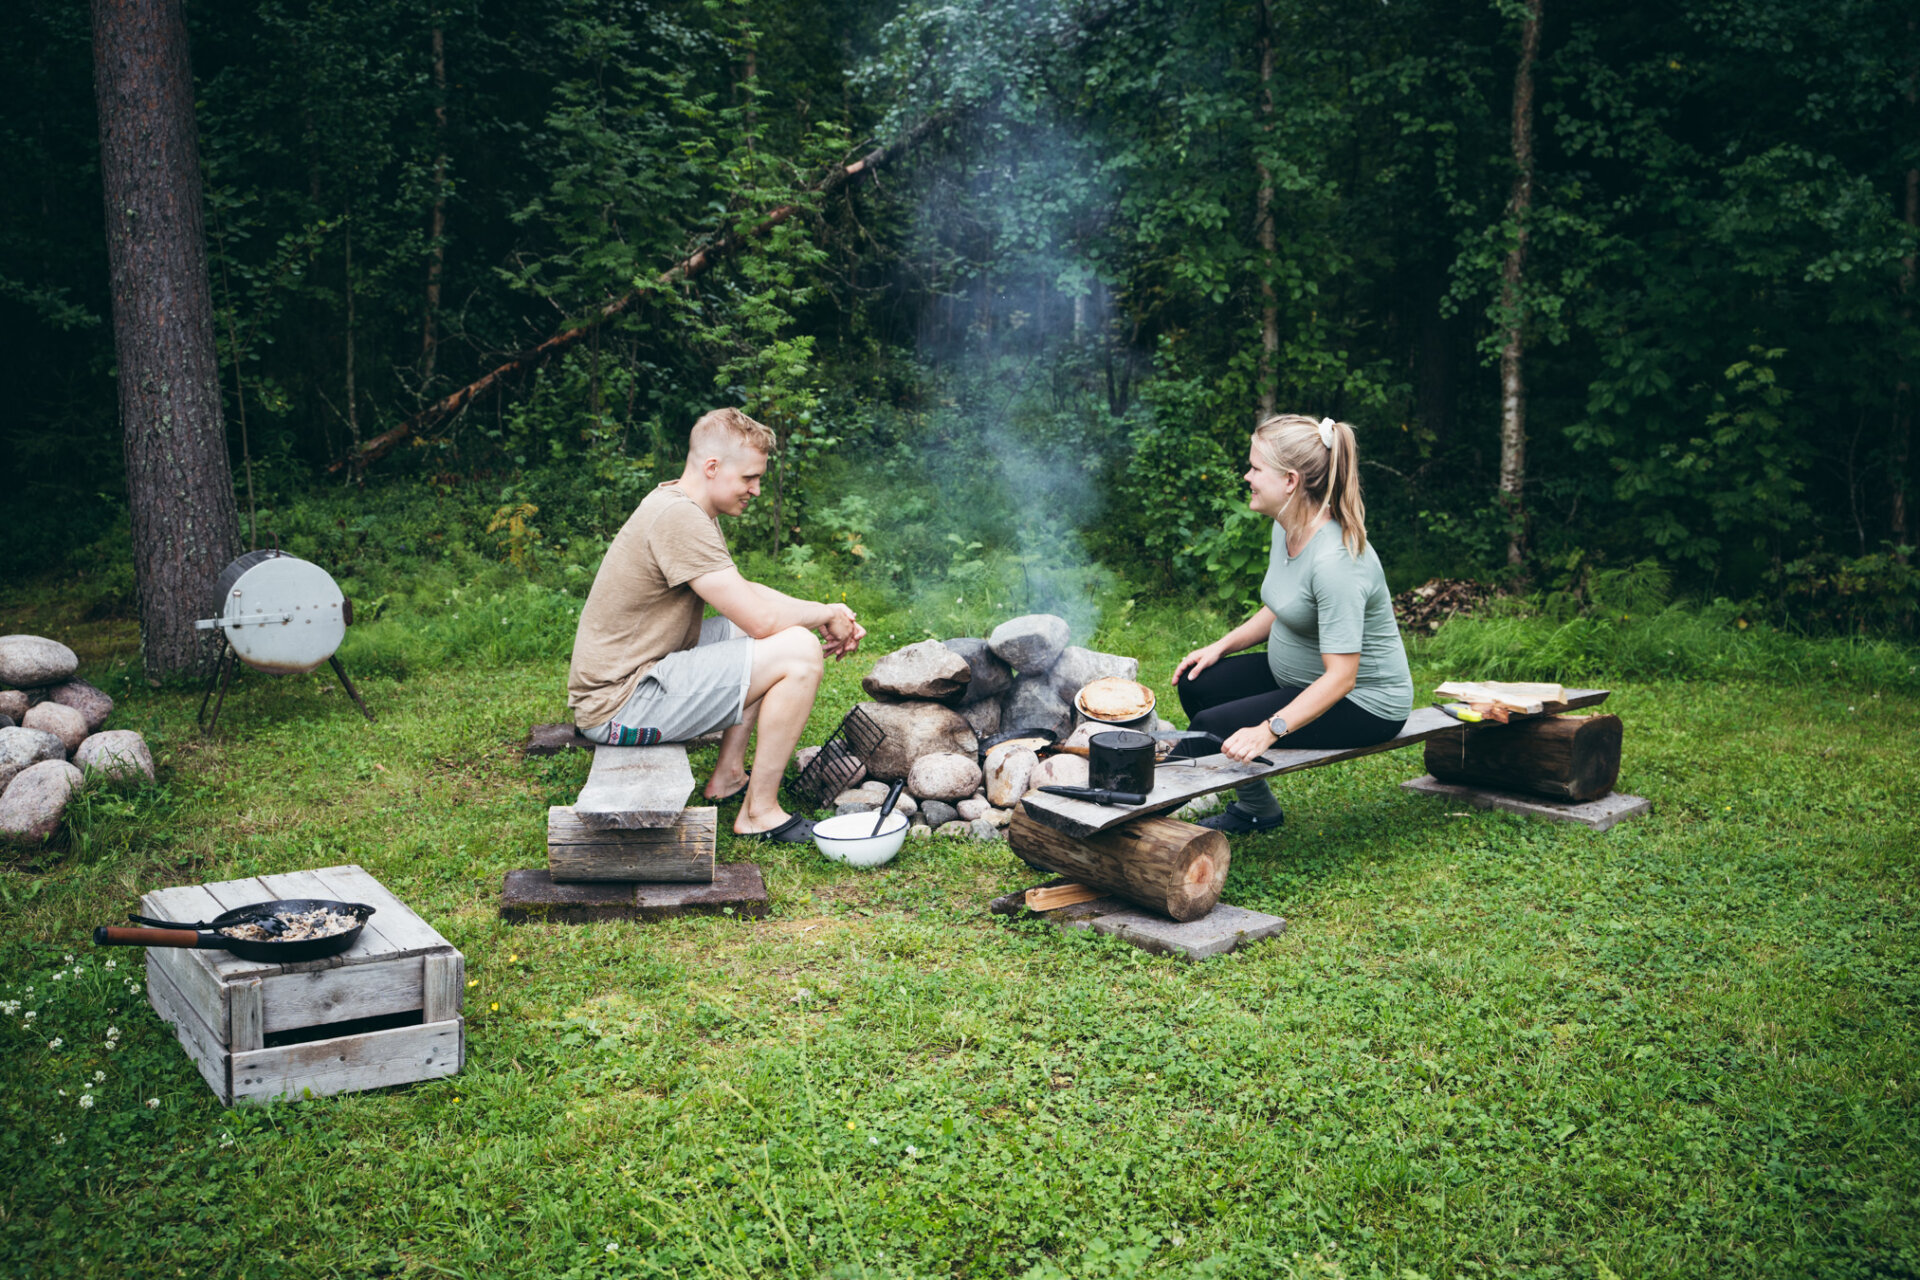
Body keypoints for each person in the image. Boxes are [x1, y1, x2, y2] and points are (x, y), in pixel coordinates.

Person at [567, 407, 864, 843]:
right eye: (749, 478)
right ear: (712, 467)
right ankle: (759, 813)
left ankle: (727, 776)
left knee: (759, 633)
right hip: (619, 702)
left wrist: (825, 608)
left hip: (638, 674)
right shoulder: (679, 518)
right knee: (797, 651)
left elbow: (745, 593)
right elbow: (762, 619)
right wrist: (824, 616)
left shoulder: (685, 507)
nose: (757, 490)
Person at [1170, 413, 1413, 833]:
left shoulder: (1337, 561)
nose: (1246, 476)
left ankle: (1134, 819)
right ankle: (1257, 806)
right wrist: (1220, 647)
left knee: (1209, 729)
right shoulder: (1287, 528)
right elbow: (1284, 605)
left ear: (1290, 481)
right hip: (1300, 678)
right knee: (1197, 681)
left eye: (1255, 468)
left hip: (1366, 704)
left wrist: (1270, 729)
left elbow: (1342, 678)